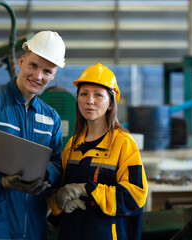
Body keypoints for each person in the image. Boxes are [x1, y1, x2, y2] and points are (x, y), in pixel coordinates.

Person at [0, 30, 66, 239]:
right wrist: (2, 181)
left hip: (33, 225)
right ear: (22, 61)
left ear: (54, 75)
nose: (38, 76)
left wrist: (45, 175)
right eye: (33, 65)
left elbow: (57, 163)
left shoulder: (51, 117)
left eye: (47, 71)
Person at [49, 63, 148, 240]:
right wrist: (61, 199)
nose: (90, 100)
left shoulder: (123, 143)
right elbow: (58, 189)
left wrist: (86, 189)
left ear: (111, 103)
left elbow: (134, 196)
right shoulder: (73, 144)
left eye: (98, 95)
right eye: (84, 93)